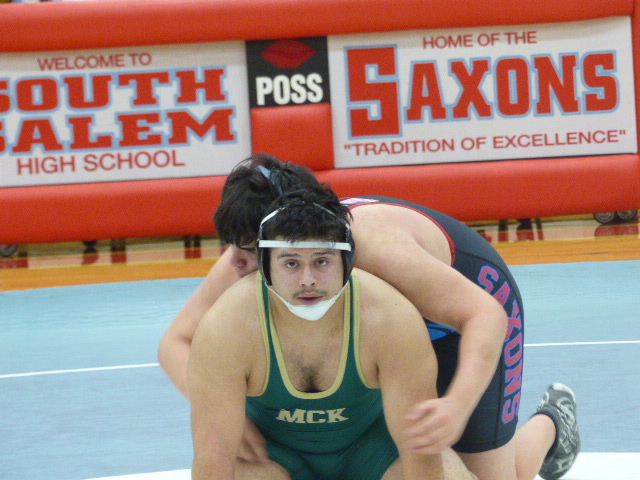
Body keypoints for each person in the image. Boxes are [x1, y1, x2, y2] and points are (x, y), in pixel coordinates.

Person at [159, 153, 580, 480]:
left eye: (247, 250)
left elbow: (483, 314)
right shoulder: (260, 256)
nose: (234, 264)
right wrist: (221, 413)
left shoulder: (368, 247)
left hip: (468, 304)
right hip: (395, 323)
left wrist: (457, 404)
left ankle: (550, 426)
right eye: (233, 247)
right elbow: (176, 342)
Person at [187, 190, 478, 480]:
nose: (308, 280)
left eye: (322, 261)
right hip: (271, 458)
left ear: (346, 262)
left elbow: (419, 453)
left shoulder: (390, 317)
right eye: (291, 264)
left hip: (375, 451)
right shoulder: (226, 326)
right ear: (266, 267)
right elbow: (213, 460)